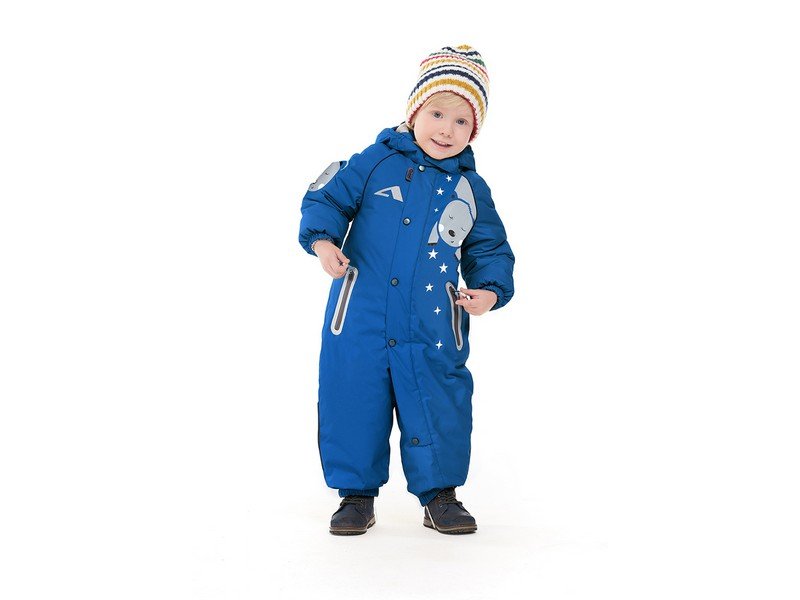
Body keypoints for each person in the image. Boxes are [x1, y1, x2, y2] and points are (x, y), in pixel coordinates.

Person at [298, 44, 515, 535]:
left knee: (438, 399)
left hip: (432, 321)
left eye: (461, 121)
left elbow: (489, 246)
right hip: (360, 314)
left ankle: (440, 496)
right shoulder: (374, 162)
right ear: (414, 112)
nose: (446, 130)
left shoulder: (471, 188)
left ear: (474, 130)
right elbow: (326, 198)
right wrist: (323, 241)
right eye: (437, 114)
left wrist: (490, 290)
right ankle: (356, 496)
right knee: (353, 395)